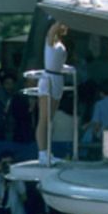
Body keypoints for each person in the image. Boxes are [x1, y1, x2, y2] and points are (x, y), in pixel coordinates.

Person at [37, 21, 68, 166]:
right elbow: (52, 30)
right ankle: (42, 153)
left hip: (58, 79)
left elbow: (57, 61)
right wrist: (62, 18)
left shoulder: (60, 43)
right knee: (44, 119)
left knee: (50, 120)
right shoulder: (50, 40)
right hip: (48, 79)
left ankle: (48, 152)